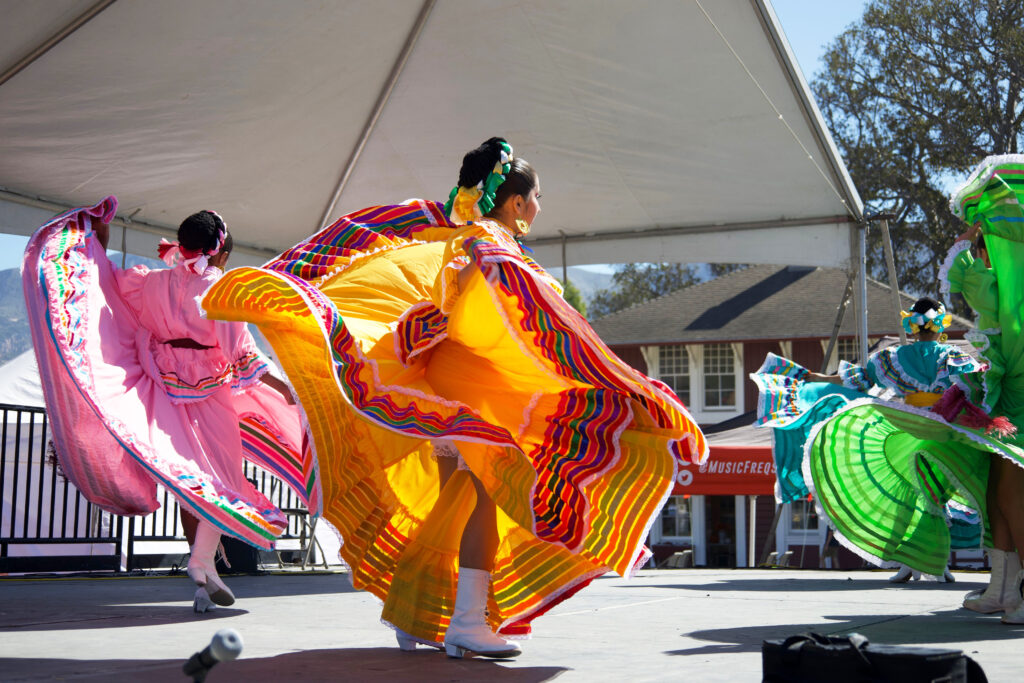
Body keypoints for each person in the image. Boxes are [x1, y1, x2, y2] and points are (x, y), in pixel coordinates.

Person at [203, 138, 708, 657]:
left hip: (450, 388)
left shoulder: (465, 235)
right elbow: (473, 302)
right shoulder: (489, 242)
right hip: (470, 389)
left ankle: (423, 616)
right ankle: (464, 622)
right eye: (537, 197)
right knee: (483, 499)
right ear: (515, 203)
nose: (539, 207)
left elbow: (441, 288)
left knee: (460, 500)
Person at [22, 199, 319, 612]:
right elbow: (242, 355)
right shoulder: (221, 290)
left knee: (191, 484)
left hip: (162, 387)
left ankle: (203, 579)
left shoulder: (152, 282)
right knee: (225, 480)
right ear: (221, 252)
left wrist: (99, 239)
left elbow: (106, 280)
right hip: (210, 394)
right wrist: (284, 388)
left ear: (185, 245)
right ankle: (201, 563)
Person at [752, 296, 1023, 585]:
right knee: (935, 497)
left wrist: (814, 378)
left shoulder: (896, 358)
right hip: (941, 434)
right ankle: (932, 563)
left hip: (906, 431)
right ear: (940, 324)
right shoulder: (951, 356)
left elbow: (856, 380)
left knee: (911, 496)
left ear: (913, 326)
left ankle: (918, 563)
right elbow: (979, 384)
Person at [943, 154, 1024, 623]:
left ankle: (1018, 588)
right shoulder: (998, 282)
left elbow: (961, 275)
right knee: (996, 494)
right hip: (1006, 395)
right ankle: (1002, 588)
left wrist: (968, 237)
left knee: (1013, 495)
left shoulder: (1000, 286)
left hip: (1020, 396)